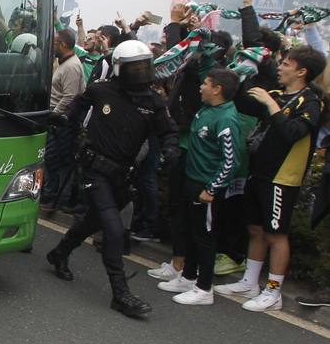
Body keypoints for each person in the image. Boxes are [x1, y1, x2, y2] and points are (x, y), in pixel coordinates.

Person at [45, 40, 179, 318]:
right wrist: (62, 119)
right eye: (135, 68)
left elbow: (168, 131)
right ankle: (120, 294)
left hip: (123, 177)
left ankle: (59, 253)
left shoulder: (153, 101)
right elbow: (77, 106)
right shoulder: (101, 89)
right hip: (95, 170)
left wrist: (170, 149)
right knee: (113, 230)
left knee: (93, 220)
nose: (141, 73)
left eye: (145, 67)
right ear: (120, 68)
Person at [216, 45, 325, 311]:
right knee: (255, 229)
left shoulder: (310, 101)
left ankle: (273, 291)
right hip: (258, 172)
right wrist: (243, 76)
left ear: (302, 71)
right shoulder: (276, 94)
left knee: (276, 234)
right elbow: (242, 103)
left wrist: (271, 104)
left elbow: (292, 133)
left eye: (286, 64)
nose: (280, 67)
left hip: (283, 178)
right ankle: (250, 282)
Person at [156, 69, 243, 305]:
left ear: (217, 89)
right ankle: (188, 276)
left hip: (206, 187)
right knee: (193, 232)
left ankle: (204, 288)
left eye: (205, 83)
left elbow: (231, 161)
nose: (200, 86)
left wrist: (212, 189)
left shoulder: (226, 119)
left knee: (205, 237)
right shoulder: (207, 109)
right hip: (192, 180)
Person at [40, 28, 85, 218]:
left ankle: (56, 197)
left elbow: (70, 97)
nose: (52, 47)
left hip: (63, 121)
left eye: (55, 43)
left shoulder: (72, 67)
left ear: (64, 45)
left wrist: (54, 114)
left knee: (56, 159)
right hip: (56, 118)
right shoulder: (62, 63)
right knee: (54, 159)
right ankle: (53, 195)